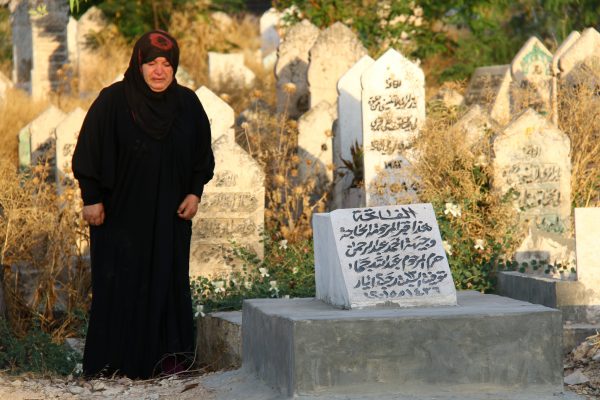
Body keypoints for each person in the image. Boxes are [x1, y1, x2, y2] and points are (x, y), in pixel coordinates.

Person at [72, 30, 215, 379]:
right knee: (120, 283)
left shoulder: (187, 104)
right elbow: (88, 150)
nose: (159, 71)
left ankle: (168, 360)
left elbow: (202, 156)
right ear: (139, 63)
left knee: (168, 281)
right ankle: (114, 361)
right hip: (120, 217)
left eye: (167, 64)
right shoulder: (113, 100)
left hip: (170, 217)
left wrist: (194, 192)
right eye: (151, 62)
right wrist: (91, 198)